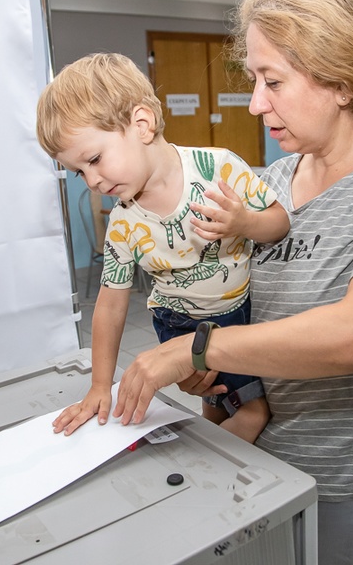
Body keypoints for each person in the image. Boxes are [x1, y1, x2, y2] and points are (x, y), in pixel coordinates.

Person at [111, 0, 353, 564]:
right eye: (253, 78)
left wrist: (198, 350)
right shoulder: (264, 185)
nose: (254, 102)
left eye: (273, 80)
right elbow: (226, 314)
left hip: (334, 482)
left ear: (342, 82)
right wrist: (207, 375)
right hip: (240, 457)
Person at [36, 53, 290, 442]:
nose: (92, 181)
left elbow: (279, 223)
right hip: (176, 321)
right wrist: (100, 387)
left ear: (142, 124)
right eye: (79, 172)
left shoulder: (219, 169)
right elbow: (110, 304)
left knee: (253, 412)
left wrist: (244, 223)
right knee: (217, 400)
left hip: (234, 315)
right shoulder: (122, 223)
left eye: (95, 160)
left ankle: (215, 479)